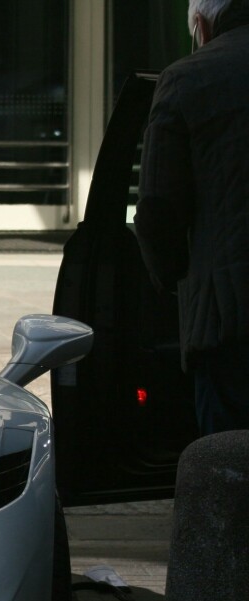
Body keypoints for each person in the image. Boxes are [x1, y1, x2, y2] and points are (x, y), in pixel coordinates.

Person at [134, 0, 249, 435]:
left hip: (229, 324)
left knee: (228, 476)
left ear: (201, 24)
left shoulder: (187, 78)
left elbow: (158, 211)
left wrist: (173, 279)